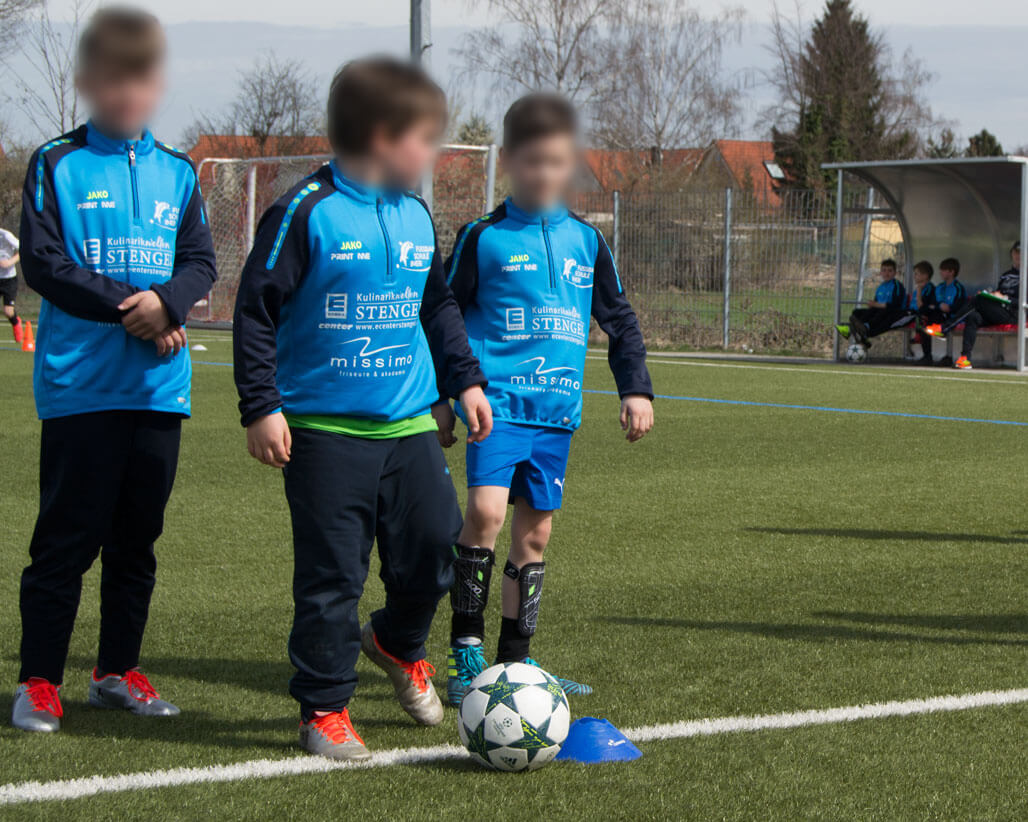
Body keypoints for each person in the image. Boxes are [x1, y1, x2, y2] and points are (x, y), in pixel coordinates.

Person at [233, 56, 492, 761]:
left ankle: (397, 643)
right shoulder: (305, 211)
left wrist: (461, 383)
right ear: (381, 135)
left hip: (409, 423)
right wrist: (261, 405)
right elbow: (256, 310)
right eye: (425, 138)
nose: (434, 153)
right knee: (332, 575)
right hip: (321, 430)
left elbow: (434, 303)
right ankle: (324, 709)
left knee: (438, 548)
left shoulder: (413, 213)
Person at [12, 7, 217, 733]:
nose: (128, 95)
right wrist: (139, 311)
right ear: (89, 84)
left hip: (160, 392)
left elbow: (201, 262)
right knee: (64, 543)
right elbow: (45, 264)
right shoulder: (55, 163)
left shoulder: (177, 173)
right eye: (113, 81)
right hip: (81, 388)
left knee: (137, 541)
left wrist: (169, 301)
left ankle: (115, 672)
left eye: (141, 82)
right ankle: (38, 681)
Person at [439, 94, 654, 706]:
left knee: (534, 539)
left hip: (555, 413)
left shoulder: (588, 241)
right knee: (484, 515)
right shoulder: (483, 237)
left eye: (557, 162)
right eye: (532, 162)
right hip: (495, 405)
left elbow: (621, 321)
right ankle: (464, 654)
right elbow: (444, 314)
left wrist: (635, 389)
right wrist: (447, 394)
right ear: (509, 161)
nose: (544, 174)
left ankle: (517, 663)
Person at [930, 242, 1021, 369]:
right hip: (998, 311)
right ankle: (965, 358)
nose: (1018, 255)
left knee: (979, 300)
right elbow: (1000, 293)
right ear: (1011, 254)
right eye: (1016, 252)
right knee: (973, 316)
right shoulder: (1005, 275)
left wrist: (1006, 298)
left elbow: (1021, 301)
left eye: (1022, 252)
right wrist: (993, 295)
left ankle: (945, 327)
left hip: (1015, 314)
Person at [835, 259, 907, 347]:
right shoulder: (881, 287)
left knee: (881, 311)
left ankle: (860, 328)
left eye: (890, 270)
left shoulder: (897, 285)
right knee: (856, 312)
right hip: (879, 310)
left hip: (894, 312)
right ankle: (861, 333)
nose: (887, 273)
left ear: (895, 273)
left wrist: (875, 305)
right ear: (880, 273)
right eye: (884, 270)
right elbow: (875, 303)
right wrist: (872, 306)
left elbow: (895, 305)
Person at [919, 258, 965, 366]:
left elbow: (958, 306)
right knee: (923, 319)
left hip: (951, 317)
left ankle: (948, 356)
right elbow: (932, 303)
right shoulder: (939, 287)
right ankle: (927, 356)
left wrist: (948, 308)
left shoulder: (958, 288)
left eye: (943, 270)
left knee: (932, 319)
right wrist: (939, 306)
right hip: (937, 314)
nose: (941, 272)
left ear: (951, 272)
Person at [893, 260, 935, 364]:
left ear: (925, 276)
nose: (915, 276)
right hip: (911, 312)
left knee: (922, 321)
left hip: (921, 314)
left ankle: (927, 355)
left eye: (917, 274)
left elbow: (921, 306)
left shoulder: (929, 288)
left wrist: (920, 291)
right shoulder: (918, 288)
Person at [0, 227, 23, 342]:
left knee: (8, 311)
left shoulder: (5, 235)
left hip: (8, 279)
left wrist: (9, 262)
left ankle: (16, 323)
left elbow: (22, 249)